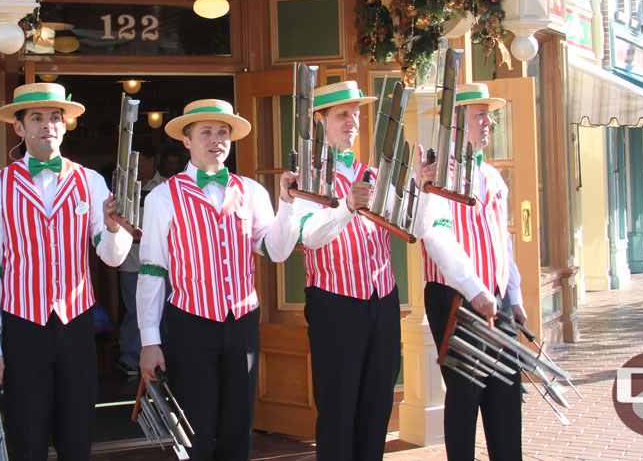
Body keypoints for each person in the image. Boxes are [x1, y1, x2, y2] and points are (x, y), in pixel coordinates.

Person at [0, 82, 133, 461]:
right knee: (26, 432)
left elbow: (110, 258)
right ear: (19, 127)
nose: (48, 125)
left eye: (55, 118)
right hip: (22, 324)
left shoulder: (90, 181)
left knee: (77, 431)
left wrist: (112, 229)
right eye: (37, 118)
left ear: (65, 125)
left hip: (76, 323)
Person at [137, 99, 300, 461]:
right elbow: (151, 271)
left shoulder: (252, 191)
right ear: (187, 140)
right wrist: (149, 340)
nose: (216, 139)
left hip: (241, 322)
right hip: (190, 323)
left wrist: (288, 205)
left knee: (238, 425)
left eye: (223, 132)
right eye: (206, 132)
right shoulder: (163, 197)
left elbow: (275, 250)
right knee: (194, 427)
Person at [279, 80, 404, 461]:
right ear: (319, 123)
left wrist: (425, 190)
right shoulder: (306, 177)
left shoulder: (373, 172)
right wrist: (347, 206)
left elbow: (408, 224)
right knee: (338, 409)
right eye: (342, 115)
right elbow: (309, 237)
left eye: (356, 114)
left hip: (382, 300)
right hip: (336, 304)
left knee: (377, 405)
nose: (352, 121)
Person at [414, 83, 526, 461]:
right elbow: (436, 238)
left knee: (507, 392)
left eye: (487, 115)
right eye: (480, 115)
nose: (488, 122)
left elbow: (502, 240)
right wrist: (475, 290)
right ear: (457, 124)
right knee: (465, 396)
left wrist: (515, 295)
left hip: (496, 299)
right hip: (456, 297)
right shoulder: (435, 176)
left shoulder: (493, 177)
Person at [114, 143, 162, 377]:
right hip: (131, 260)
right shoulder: (124, 188)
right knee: (135, 310)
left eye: (141, 159)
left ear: (152, 160)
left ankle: (163, 356)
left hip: (162, 263)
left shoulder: (166, 187)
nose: (137, 165)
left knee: (163, 309)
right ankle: (130, 356)